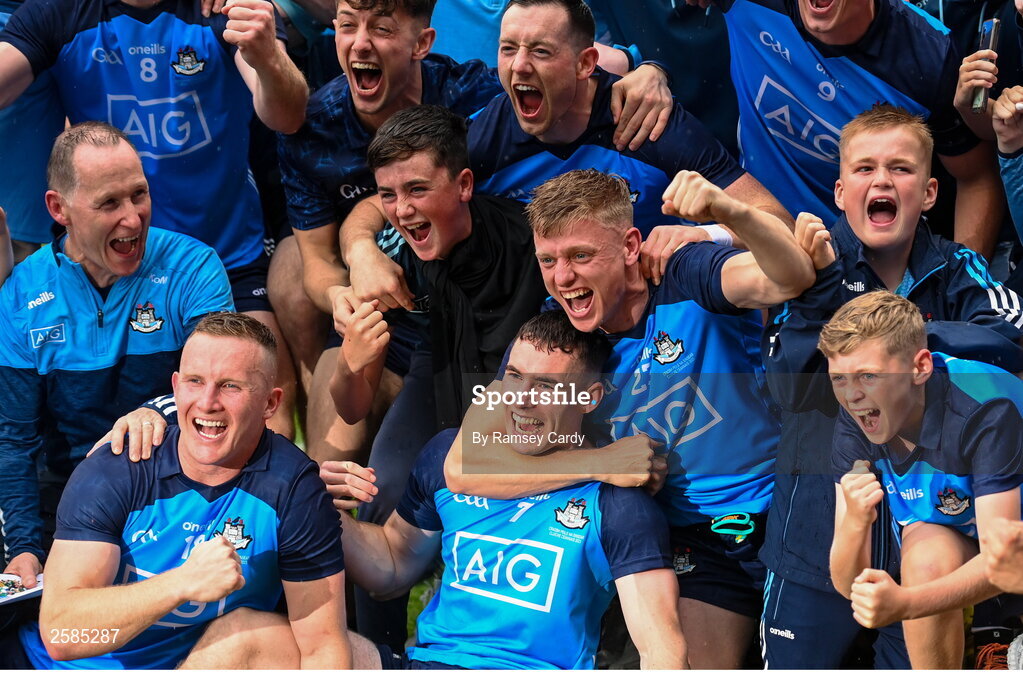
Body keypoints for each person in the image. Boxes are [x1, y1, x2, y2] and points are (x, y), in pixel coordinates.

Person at [443, 168, 816, 668]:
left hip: (782, 508)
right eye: (548, 260)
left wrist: (724, 216)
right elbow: (464, 462)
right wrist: (599, 462)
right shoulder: (557, 335)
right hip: (692, 540)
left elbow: (791, 275)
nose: (562, 279)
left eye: (580, 256)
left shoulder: (686, 272)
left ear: (629, 245)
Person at [278, 0, 673, 464]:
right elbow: (355, 404)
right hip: (435, 347)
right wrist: (360, 269)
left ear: (465, 182)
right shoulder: (401, 239)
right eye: (391, 196)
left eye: (418, 190)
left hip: (524, 350)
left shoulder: (527, 226)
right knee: (371, 486)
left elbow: (576, 64)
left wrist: (648, 67)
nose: (403, 210)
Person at [760, 104, 1023, 669]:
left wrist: (899, 336)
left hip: (934, 531)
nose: (881, 180)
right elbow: (784, 389)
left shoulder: (958, 269)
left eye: (900, 169)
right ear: (838, 190)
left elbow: (1009, 337)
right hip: (815, 536)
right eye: (864, 168)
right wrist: (822, 290)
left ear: (930, 193)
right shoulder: (809, 267)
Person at [0, 0, 307, 437]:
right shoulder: (60, 11)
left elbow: (288, 116)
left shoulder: (222, 6)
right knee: (81, 421)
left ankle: (258, 507)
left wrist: (270, 58)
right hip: (112, 258)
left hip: (226, 255)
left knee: (265, 403)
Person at [325, 310, 685, 669]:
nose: (521, 399)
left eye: (545, 385)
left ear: (588, 399)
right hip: (427, 663)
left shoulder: (617, 503)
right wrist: (311, 504)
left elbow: (661, 649)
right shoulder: (447, 458)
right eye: (514, 377)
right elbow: (391, 565)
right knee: (289, 645)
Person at [0, 312, 351, 669]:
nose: (208, 402)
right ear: (176, 386)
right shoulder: (117, 468)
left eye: (231, 386)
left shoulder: (294, 489)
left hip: (203, 661)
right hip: (61, 666)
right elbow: (63, 637)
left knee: (357, 652)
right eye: (195, 381)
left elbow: (323, 647)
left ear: (270, 404)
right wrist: (181, 584)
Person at [0, 123, 234, 595]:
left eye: (139, 195)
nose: (133, 218)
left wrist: (158, 410)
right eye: (109, 203)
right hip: (66, 495)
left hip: (178, 487)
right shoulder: (22, 294)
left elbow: (222, 383)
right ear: (58, 208)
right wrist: (22, 548)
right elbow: (14, 440)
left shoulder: (193, 266)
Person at [686, 0, 1005, 260]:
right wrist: (641, 64)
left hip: (871, 265)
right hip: (758, 240)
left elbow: (975, 177)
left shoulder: (929, 56)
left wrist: (963, 287)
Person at [824, 291, 1023, 669]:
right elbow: (851, 584)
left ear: (920, 367)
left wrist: (906, 604)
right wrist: (853, 523)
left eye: (869, 375)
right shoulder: (856, 419)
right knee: (925, 562)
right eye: (839, 378)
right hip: (965, 527)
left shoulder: (985, 407)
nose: (851, 395)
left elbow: (1007, 559)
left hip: (1012, 534)